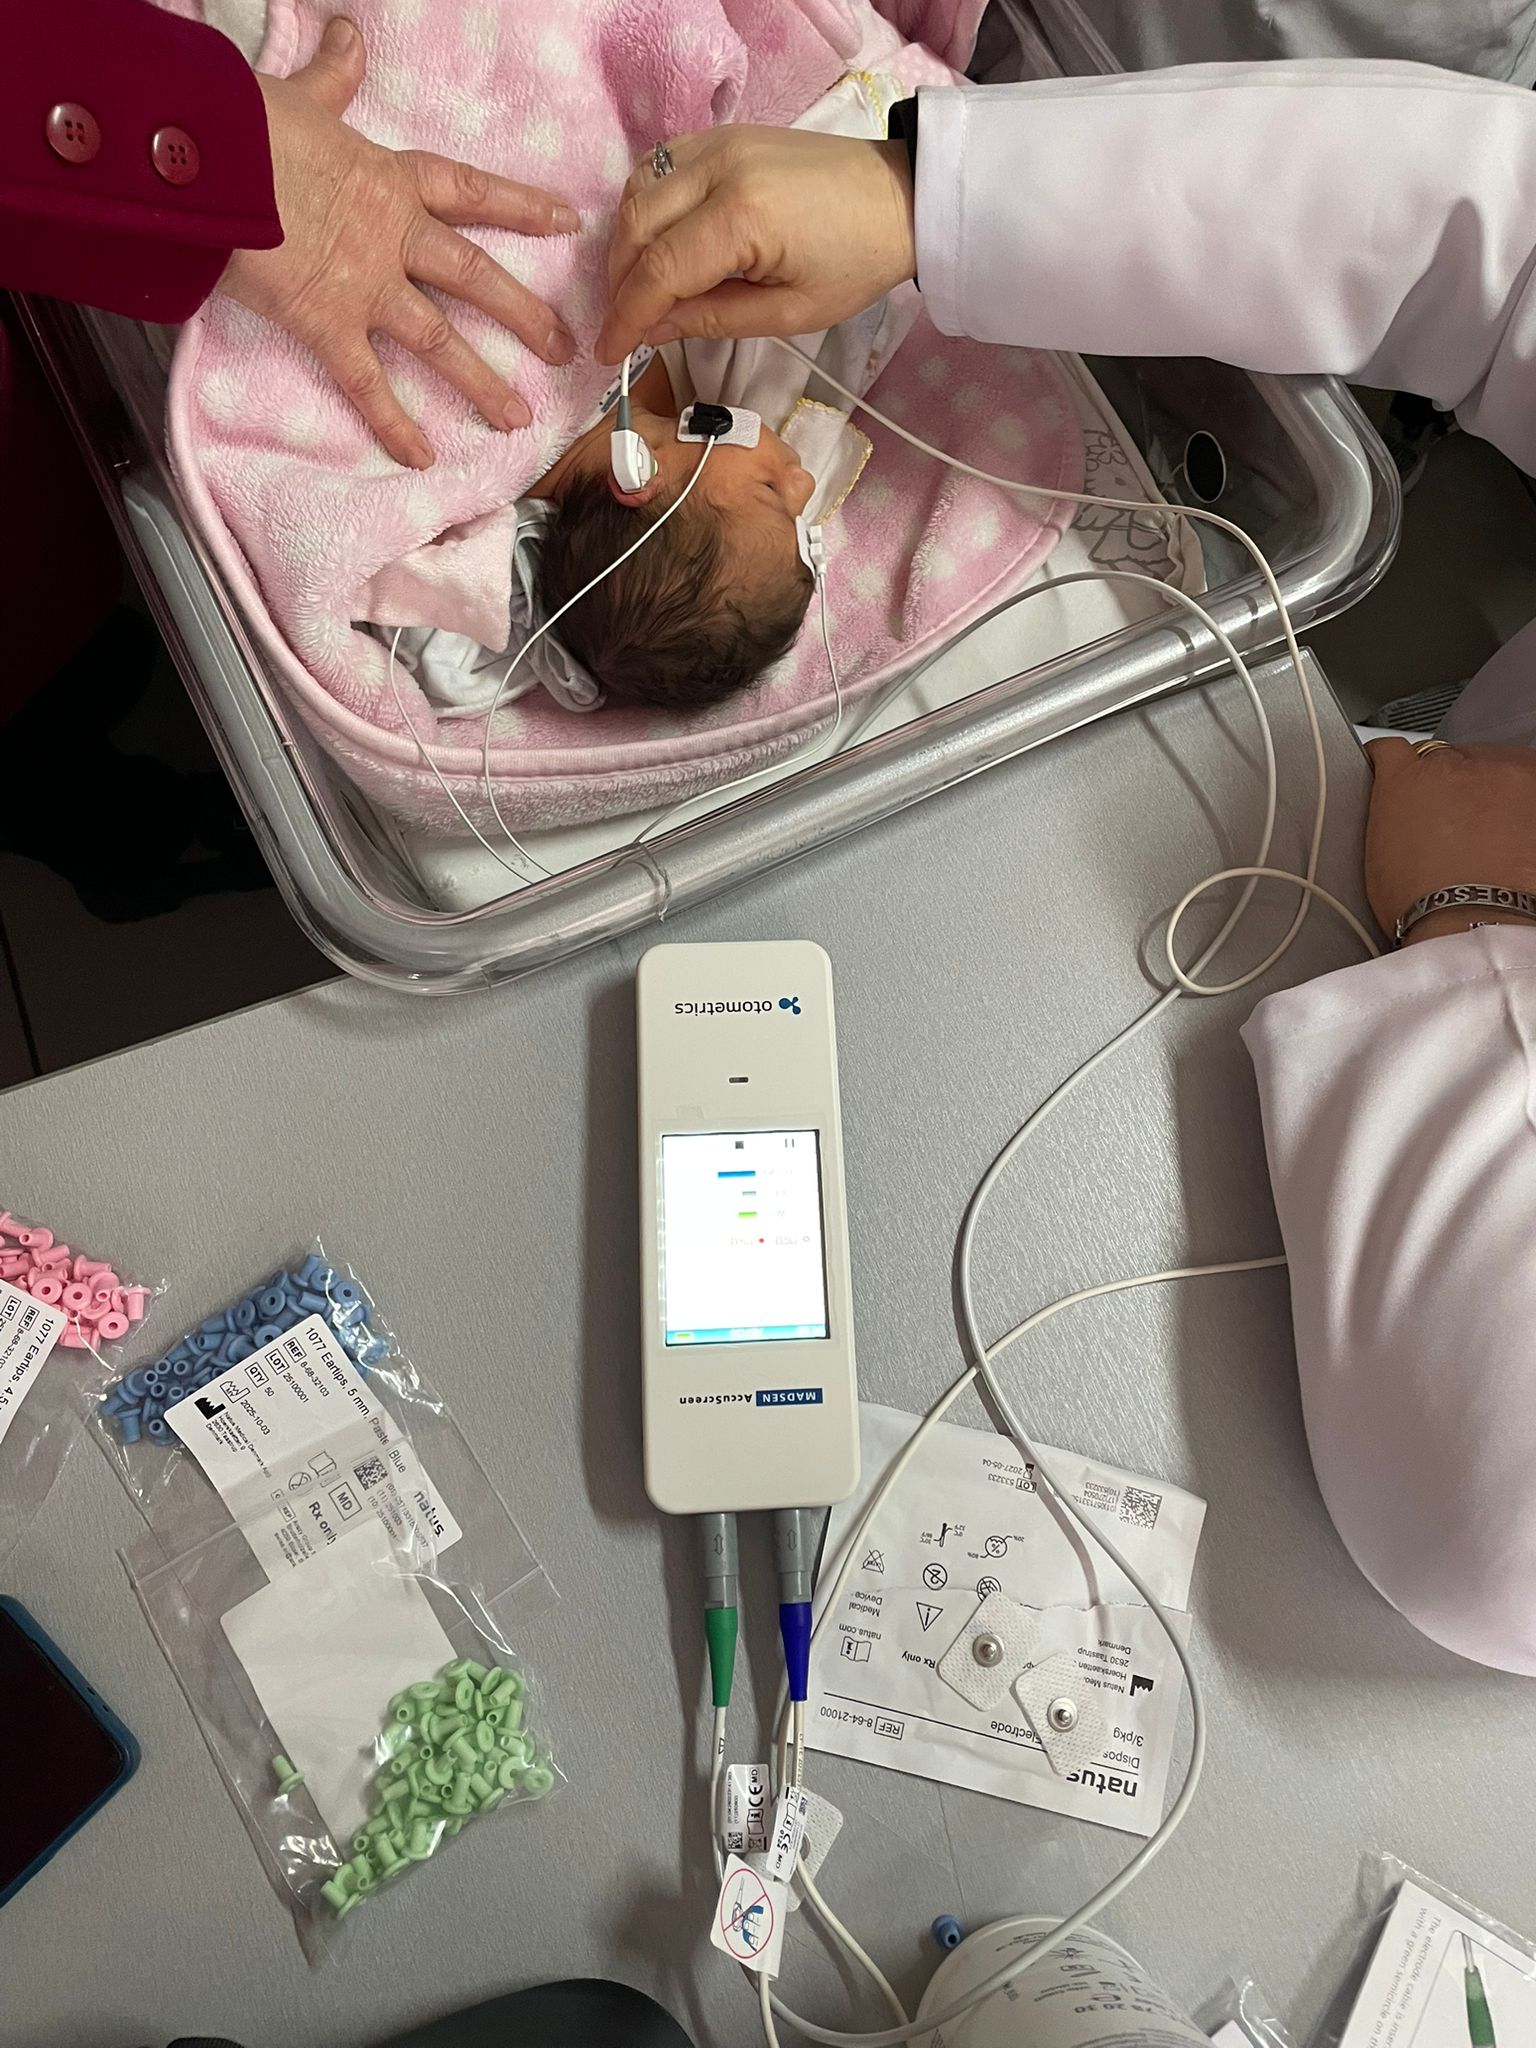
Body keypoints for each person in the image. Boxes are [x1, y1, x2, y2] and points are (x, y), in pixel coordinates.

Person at [593, 68, 1536, 1673]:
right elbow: (1486, 231)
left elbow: (1484, 1532)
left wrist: (1472, 917)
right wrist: (932, 198)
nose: (785, 483)